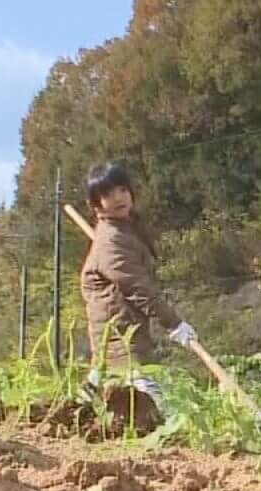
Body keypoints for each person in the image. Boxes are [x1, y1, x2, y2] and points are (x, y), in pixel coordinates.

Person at [78, 161, 195, 412]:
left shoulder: (125, 227)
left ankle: (80, 408)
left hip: (123, 320)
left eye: (122, 190)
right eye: (107, 195)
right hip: (118, 324)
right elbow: (137, 287)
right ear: (97, 203)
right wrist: (173, 323)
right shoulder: (112, 240)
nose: (118, 198)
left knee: (106, 375)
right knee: (142, 387)